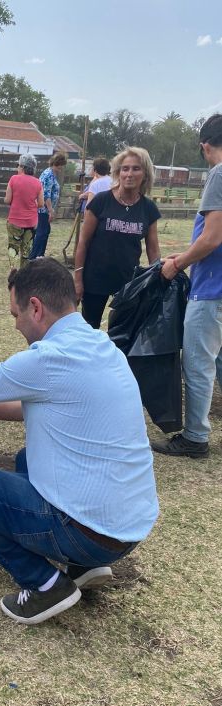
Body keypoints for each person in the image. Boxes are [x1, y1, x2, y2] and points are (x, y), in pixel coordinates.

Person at [0, 258, 159, 625]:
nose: (16, 324)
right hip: (128, 527)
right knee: (26, 459)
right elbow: (38, 407)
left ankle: (46, 584)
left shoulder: (48, 358)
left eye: (16, 314)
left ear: (36, 307)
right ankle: (83, 567)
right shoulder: (100, 345)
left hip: (92, 533)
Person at [152, 114, 222, 459]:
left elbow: (212, 237)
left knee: (197, 363)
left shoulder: (219, 173)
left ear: (204, 146)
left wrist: (178, 264)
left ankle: (195, 437)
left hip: (212, 290)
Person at [74, 147, 161, 329]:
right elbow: (83, 242)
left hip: (128, 282)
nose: (129, 174)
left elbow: (153, 249)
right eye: (125, 168)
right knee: (89, 330)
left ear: (145, 174)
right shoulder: (100, 201)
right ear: (118, 172)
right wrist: (78, 279)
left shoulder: (149, 209)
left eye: (136, 168)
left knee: (122, 332)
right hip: (94, 280)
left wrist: (156, 281)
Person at [4, 154, 43, 266]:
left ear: (22, 167)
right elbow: (40, 204)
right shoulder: (38, 182)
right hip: (31, 223)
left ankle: (13, 275)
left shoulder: (13, 179)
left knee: (13, 251)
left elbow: (7, 200)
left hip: (15, 221)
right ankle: (24, 277)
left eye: (18, 165)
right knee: (26, 252)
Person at [29, 152, 67, 259]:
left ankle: (40, 255)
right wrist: (50, 210)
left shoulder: (51, 174)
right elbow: (46, 195)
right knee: (42, 232)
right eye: (62, 165)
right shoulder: (49, 175)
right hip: (43, 210)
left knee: (45, 231)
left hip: (44, 209)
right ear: (58, 164)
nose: (62, 168)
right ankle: (34, 257)